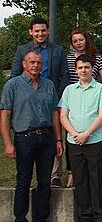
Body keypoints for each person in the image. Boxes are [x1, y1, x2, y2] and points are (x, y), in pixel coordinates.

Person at [2, 51, 63, 222]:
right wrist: (8, 143)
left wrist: (58, 139)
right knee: (24, 181)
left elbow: (54, 113)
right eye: (32, 62)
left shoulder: (48, 85)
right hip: (24, 138)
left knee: (45, 181)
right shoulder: (13, 85)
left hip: (46, 138)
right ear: (24, 64)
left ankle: (41, 221)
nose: (36, 65)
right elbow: (5, 115)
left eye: (38, 62)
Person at [11, 17, 68, 187]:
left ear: (48, 31)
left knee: (55, 136)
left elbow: (64, 74)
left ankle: (55, 174)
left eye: (43, 30)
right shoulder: (22, 50)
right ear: (31, 32)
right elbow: (14, 74)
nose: (40, 33)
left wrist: (57, 97)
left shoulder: (58, 50)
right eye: (37, 31)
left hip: (51, 98)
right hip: (29, 101)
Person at [58, 54, 102, 222]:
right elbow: (63, 115)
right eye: (80, 68)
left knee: (97, 180)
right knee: (80, 180)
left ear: (92, 68)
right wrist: (75, 134)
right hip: (75, 142)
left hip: (94, 140)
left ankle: (101, 218)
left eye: (87, 67)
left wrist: (87, 133)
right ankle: (85, 218)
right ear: (76, 70)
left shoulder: (101, 89)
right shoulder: (69, 90)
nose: (84, 70)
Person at [64, 28, 102, 187]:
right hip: (73, 99)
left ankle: (99, 211)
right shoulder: (68, 58)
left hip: (94, 97)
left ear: (86, 39)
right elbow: (63, 115)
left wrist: (99, 93)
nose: (78, 43)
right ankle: (71, 174)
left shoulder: (97, 57)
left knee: (96, 176)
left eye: (81, 39)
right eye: (74, 41)